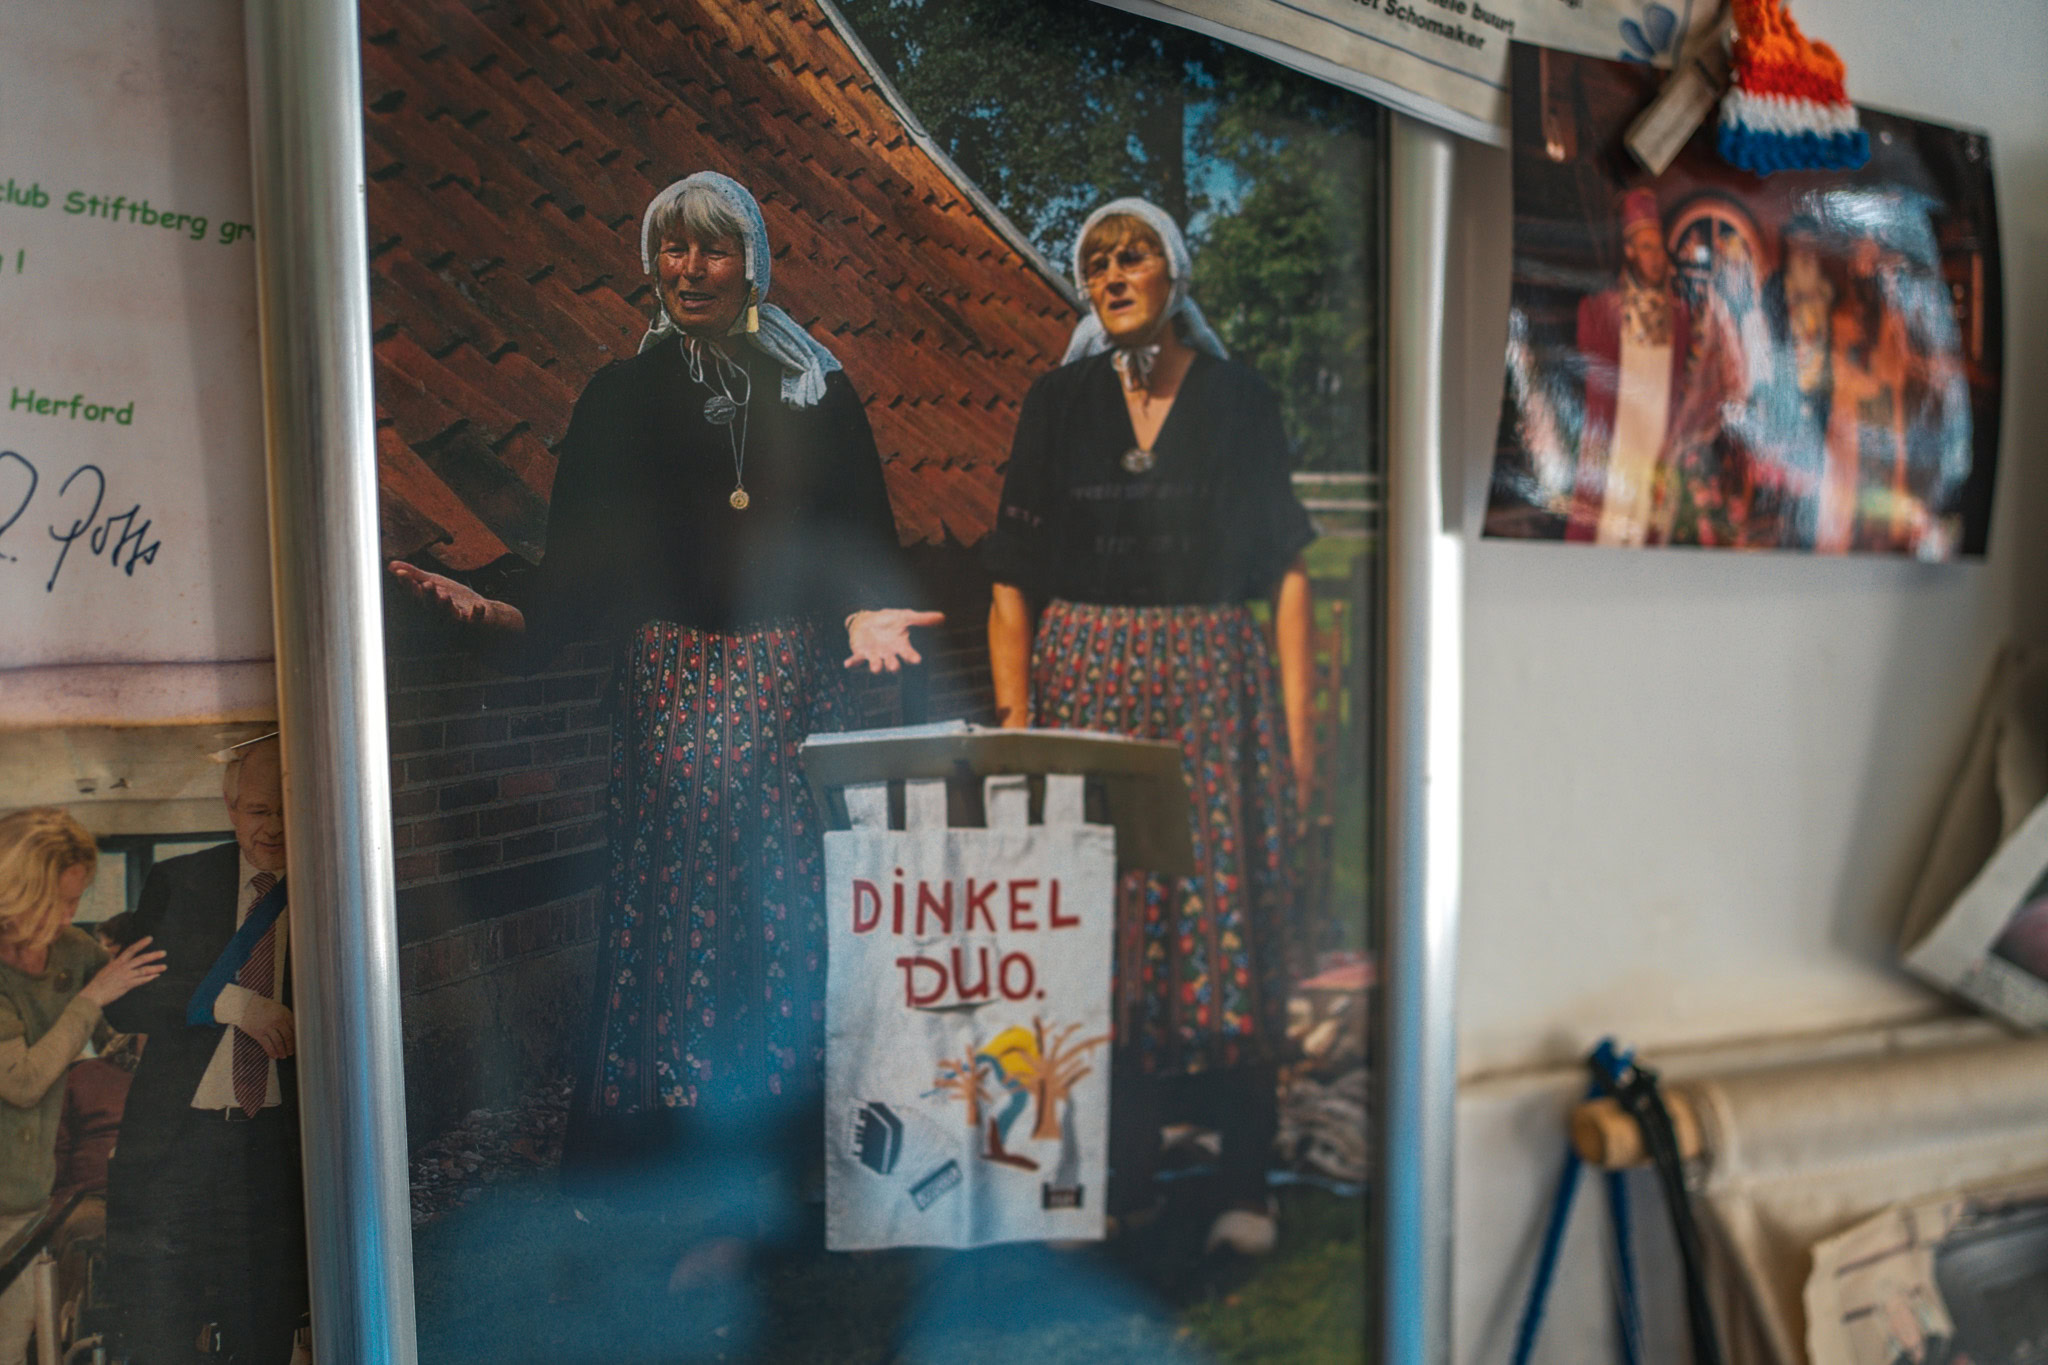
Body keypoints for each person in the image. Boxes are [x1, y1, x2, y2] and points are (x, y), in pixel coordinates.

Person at [387, 172, 939, 1260]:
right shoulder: (618, 396)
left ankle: (787, 1166)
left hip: (783, 687)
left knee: (779, 916)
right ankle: (655, 1162)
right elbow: (582, 557)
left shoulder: (814, 392)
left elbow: (856, 540)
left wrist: (867, 615)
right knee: (663, 915)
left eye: (713, 251)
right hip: (668, 692)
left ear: (753, 263)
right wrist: (507, 608)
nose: (689, 271)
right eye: (672, 251)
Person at [982, 197, 1315, 1255]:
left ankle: (1243, 1182)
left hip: (1212, 685)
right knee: (1101, 928)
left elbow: (1288, 576)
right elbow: (1009, 581)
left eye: (1133, 257)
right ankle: (1113, 1182)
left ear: (1173, 274)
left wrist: (1302, 740)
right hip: (1085, 682)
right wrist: (1019, 726)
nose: (1113, 273)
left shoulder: (1238, 400)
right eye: (1095, 261)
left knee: (1227, 914)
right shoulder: (1054, 402)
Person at [102, 736, 309, 1363]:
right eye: (255, 811)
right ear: (230, 807)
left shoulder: (333, 883)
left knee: (263, 1331)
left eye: (284, 808)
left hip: (277, 1150)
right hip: (175, 1149)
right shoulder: (180, 879)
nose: (270, 829)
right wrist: (231, 1004)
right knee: (158, 1331)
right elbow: (125, 1001)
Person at [0, 809, 164, 1365]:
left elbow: (123, 1034)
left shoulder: (72, 950)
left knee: (13, 1341)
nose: (72, 915)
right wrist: (93, 997)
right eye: (60, 902)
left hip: (26, 1197)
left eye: (77, 900)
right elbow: (21, 1083)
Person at [1566, 186, 1695, 546]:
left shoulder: (1680, 316)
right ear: (1629, 251)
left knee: (1646, 530)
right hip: (1617, 441)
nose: (1657, 257)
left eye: (1659, 247)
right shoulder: (1600, 310)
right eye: (1647, 247)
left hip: (1656, 443)